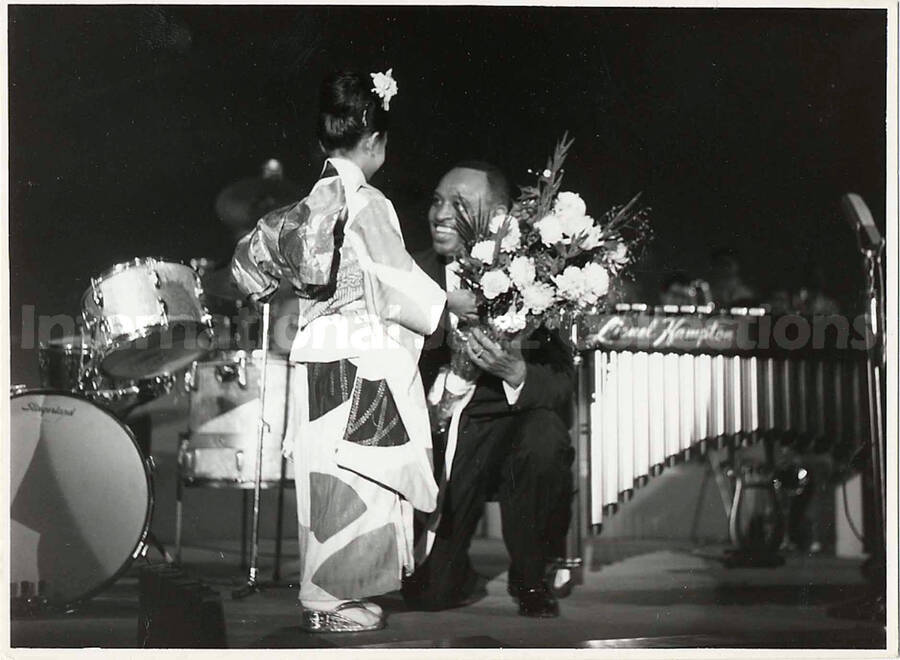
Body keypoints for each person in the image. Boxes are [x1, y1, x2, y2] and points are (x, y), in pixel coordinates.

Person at [230, 70, 445, 632]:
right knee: (360, 475)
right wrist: (446, 306)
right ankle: (327, 600)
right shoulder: (368, 203)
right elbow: (397, 285)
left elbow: (249, 267)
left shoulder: (308, 205)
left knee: (329, 471)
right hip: (359, 356)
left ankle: (331, 594)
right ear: (374, 141)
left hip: (318, 355)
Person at [402, 162, 575, 618]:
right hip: (446, 436)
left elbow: (560, 383)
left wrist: (517, 372)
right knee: (429, 597)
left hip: (514, 431)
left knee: (546, 437)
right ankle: (450, 570)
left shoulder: (534, 279)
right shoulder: (413, 275)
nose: (440, 214)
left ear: (498, 217)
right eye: (437, 201)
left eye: (459, 205)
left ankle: (532, 577)